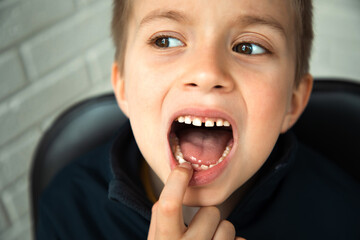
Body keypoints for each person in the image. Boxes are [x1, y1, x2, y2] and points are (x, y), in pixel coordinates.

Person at [37, 0, 360, 239]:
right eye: (166, 40)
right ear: (123, 87)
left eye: (249, 46)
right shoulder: (69, 208)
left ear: (292, 102)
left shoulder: (344, 216)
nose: (207, 72)